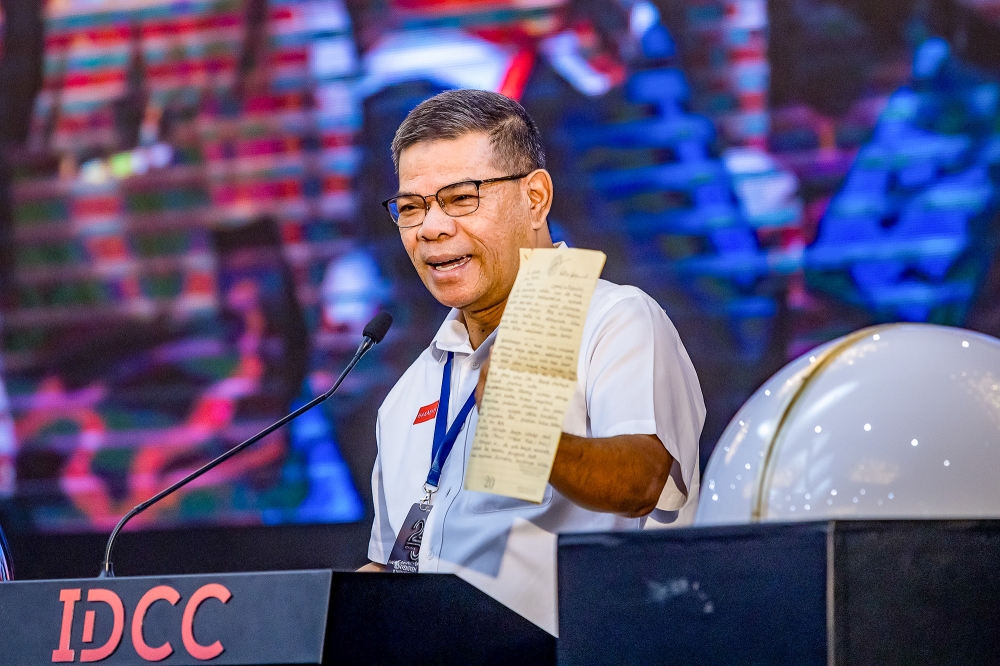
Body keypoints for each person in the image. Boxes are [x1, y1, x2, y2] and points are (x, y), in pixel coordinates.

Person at [359, 89, 705, 632]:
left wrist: (529, 434)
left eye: (461, 198)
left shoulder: (610, 318)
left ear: (536, 198)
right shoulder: (408, 391)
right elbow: (397, 559)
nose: (430, 227)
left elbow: (642, 483)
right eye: (411, 207)